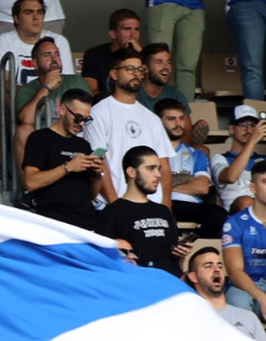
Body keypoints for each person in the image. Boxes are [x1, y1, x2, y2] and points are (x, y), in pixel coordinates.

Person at [0, 0, 73, 174]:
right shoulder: (5, 41)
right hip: (19, 98)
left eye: (39, 12)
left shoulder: (58, 41)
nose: (36, 17)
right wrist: (25, 92)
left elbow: (67, 82)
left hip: (54, 97)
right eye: (29, 12)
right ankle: (1, 166)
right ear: (16, 18)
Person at [83, 48, 175, 205]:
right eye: (130, 68)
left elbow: (164, 166)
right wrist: (116, 206)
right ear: (114, 74)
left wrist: (166, 204)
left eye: (140, 69)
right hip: (113, 203)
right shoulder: (98, 113)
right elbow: (99, 162)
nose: (136, 74)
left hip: (151, 205)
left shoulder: (151, 118)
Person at [96, 146, 187, 278]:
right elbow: (102, 262)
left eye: (158, 169)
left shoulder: (164, 211)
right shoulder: (112, 213)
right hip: (137, 287)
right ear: (131, 172)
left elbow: (177, 262)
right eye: (151, 168)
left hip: (172, 285)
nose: (158, 175)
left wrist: (181, 254)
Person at [13, 38, 92, 165]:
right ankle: (29, 182)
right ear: (35, 63)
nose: (54, 58)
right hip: (46, 143)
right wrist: (46, 88)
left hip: (76, 136)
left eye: (57, 54)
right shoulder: (27, 89)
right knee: (23, 131)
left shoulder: (76, 81)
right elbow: (26, 119)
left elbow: (91, 113)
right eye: (47, 55)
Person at [159, 99, 225, 237]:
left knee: (218, 213)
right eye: (171, 119)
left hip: (189, 204)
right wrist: (187, 180)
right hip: (159, 204)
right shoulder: (151, 152)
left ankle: (195, 243)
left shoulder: (196, 154)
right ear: (159, 122)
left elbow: (202, 187)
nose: (178, 124)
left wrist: (165, 185)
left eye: (181, 119)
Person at [223, 165, 266, 315]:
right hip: (244, 286)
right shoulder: (235, 223)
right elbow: (235, 271)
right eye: (265, 182)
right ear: (253, 188)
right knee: (237, 301)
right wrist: (261, 297)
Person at [213, 104, 266, 213]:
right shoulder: (219, 158)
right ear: (232, 129)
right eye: (243, 125)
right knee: (246, 201)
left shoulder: (262, 160)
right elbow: (230, 177)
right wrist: (252, 141)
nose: (249, 130)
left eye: (253, 126)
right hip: (236, 217)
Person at [82, 10, 143, 93]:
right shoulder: (95, 54)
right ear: (113, 34)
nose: (133, 34)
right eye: (127, 29)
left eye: (136, 29)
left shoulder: (143, 54)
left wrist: (142, 53)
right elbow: (91, 90)